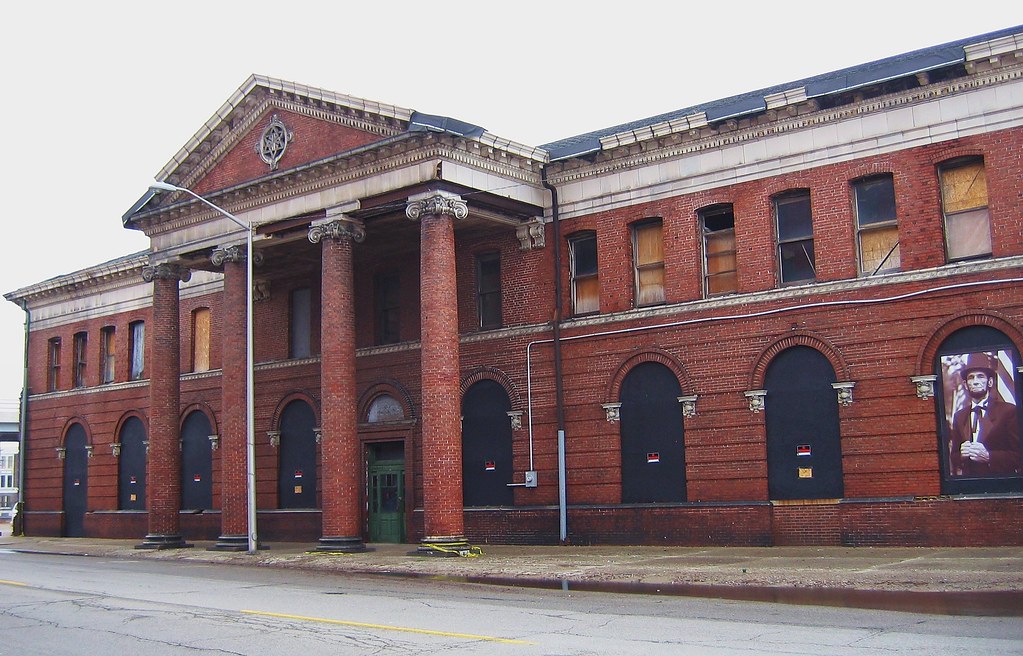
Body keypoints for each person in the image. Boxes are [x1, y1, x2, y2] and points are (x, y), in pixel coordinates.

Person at [949, 352, 1022, 477]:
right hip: (970, 483)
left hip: (1000, 482)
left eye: (980, 376)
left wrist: (989, 456)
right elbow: (953, 456)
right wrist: (961, 455)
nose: (975, 382)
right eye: (971, 377)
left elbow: (1018, 456)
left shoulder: (1008, 411)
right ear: (965, 385)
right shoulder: (959, 416)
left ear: (990, 382)